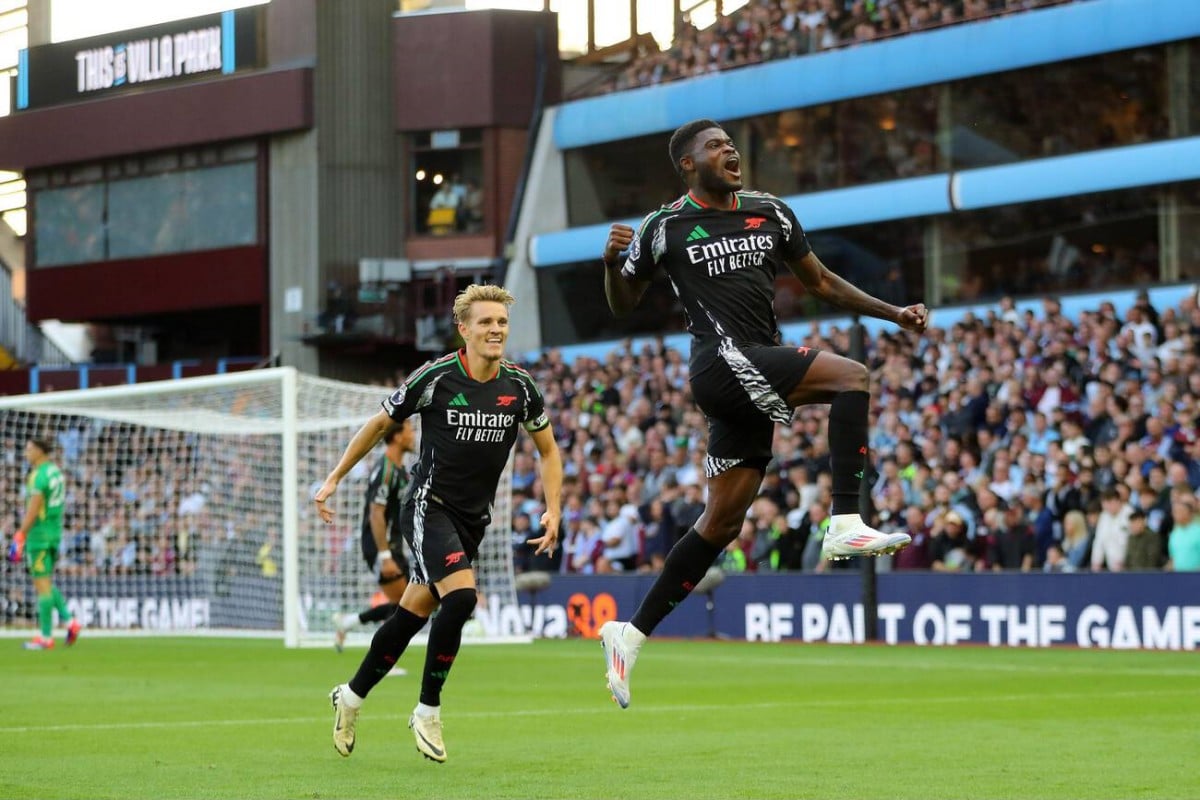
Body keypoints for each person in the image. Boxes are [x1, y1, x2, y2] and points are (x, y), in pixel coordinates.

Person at [597, 119, 927, 707]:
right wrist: (609, 264)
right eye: (715, 146)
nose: (730, 151)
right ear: (688, 165)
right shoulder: (662, 226)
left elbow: (820, 280)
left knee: (721, 523)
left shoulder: (770, 211)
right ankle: (846, 522)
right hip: (722, 365)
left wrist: (892, 311)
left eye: (730, 143)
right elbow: (625, 304)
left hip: (746, 370)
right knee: (852, 377)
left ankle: (630, 634)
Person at [314, 284, 562, 763]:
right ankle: (427, 708)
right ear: (463, 329)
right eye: (486, 322)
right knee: (463, 597)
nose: (496, 330)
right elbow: (379, 424)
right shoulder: (436, 377)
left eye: (502, 323)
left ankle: (351, 696)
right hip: (429, 506)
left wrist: (554, 507)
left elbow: (549, 450)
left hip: (474, 519)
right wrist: (333, 479)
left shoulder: (521, 387)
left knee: (410, 615)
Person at [332, 420, 416, 654]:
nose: (413, 435)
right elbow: (376, 515)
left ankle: (348, 623)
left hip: (393, 546)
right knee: (405, 608)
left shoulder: (399, 470)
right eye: (410, 430)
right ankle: (383, 660)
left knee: (407, 605)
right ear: (397, 437)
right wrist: (385, 556)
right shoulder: (385, 470)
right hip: (381, 548)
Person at [15, 438, 81, 650]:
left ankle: (46, 637)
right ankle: (70, 622)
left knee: (41, 586)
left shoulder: (39, 475)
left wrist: (20, 534)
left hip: (39, 535)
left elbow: (33, 510)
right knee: (45, 582)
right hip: (54, 533)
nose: (26, 453)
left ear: (39, 451)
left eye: (29, 449)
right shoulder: (56, 472)